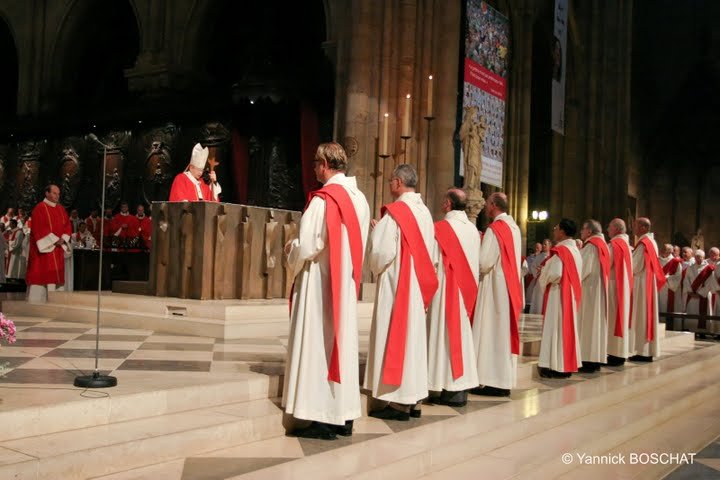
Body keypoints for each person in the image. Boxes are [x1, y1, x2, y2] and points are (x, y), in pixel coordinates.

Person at [282, 142, 370, 440]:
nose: (313, 169)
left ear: (324, 164)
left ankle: (321, 418)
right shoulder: (360, 199)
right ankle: (342, 417)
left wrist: (291, 249)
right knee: (340, 346)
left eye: (315, 163)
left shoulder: (324, 200)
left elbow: (308, 245)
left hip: (321, 284)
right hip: (344, 283)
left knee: (320, 346)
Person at [364, 164, 438, 421]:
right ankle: (415, 399)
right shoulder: (425, 212)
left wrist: (376, 233)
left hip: (398, 286)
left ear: (397, 182)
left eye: (389, 182)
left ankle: (398, 403)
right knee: (413, 342)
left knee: (396, 338)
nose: (388, 186)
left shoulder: (396, 213)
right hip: (416, 285)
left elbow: (381, 254)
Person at [427, 188, 479, 407]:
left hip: (445, 289)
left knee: (442, 337)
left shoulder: (441, 228)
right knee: (460, 339)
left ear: (448, 203)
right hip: (466, 291)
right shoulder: (473, 230)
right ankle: (458, 388)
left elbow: (432, 260)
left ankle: (441, 386)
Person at [470, 192, 523, 396]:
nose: (485, 208)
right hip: (508, 287)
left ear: (493, 205)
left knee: (490, 332)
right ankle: (502, 379)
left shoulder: (495, 229)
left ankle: (491, 380)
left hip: (493, 289)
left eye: (488, 204)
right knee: (502, 334)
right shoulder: (514, 228)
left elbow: (484, 262)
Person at [538, 218, 583, 378]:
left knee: (555, 328)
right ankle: (564, 364)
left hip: (558, 294)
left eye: (556, 228)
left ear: (563, 231)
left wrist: (543, 274)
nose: (554, 230)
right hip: (569, 294)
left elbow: (555, 273)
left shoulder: (562, 251)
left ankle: (554, 365)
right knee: (565, 329)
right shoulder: (575, 250)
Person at [25, 185, 72, 302]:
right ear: (47, 193)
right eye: (55, 193)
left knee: (56, 278)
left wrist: (63, 239)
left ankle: (56, 303)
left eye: (58, 194)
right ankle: (37, 303)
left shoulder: (61, 209)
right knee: (42, 276)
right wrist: (54, 240)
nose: (57, 196)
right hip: (44, 251)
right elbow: (39, 229)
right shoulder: (39, 208)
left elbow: (67, 226)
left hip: (57, 250)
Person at [628, 217, 666, 362]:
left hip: (642, 284)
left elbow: (635, 266)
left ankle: (642, 351)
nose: (633, 227)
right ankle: (645, 350)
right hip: (646, 282)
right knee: (644, 316)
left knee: (641, 316)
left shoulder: (644, 243)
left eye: (635, 225)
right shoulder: (651, 242)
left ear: (644, 227)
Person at [577, 219, 610, 373]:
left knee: (588, 324)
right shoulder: (602, 244)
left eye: (583, 229)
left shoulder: (591, 246)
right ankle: (595, 358)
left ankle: (587, 359)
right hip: (598, 290)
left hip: (589, 291)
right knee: (595, 325)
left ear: (589, 231)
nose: (581, 232)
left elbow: (582, 270)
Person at [606, 218, 634, 366]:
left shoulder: (615, 244)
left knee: (613, 320)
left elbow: (606, 263)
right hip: (623, 285)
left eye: (609, 227)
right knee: (620, 318)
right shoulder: (626, 244)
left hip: (613, 286)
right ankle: (620, 352)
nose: (607, 229)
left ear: (617, 229)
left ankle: (614, 353)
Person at [682, 249, 715, 331]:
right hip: (692, 295)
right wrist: (690, 292)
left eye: (699, 257)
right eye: (696, 257)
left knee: (703, 313)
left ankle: (703, 331)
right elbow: (686, 280)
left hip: (703, 295)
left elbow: (710, 282)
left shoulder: (708, 268)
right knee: (692, 312)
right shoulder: (690, 267)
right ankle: (691, 328)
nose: (697, 259)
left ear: (703, 257)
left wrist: (700, 293)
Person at [658, 243, 683, 329]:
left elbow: (678, 277)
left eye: (664, 249)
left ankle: (668, 327)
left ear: (669, 252)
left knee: (667, 308)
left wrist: (666, 278)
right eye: (661, 249)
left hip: (669, 288)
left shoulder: (675, 263)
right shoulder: (657, 260)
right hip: (657, 289)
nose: (661, 251)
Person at [528, 239, 552, 313]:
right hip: (539, 280)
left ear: (550, 246)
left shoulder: (552, 256)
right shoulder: (539, 256)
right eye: (543, 244)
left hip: (548, 280)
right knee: (538, 297)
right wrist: (537, 272)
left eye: (545, 244)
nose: (544, 246)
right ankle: (537, 311)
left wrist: (544, 270)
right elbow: (532, 266)